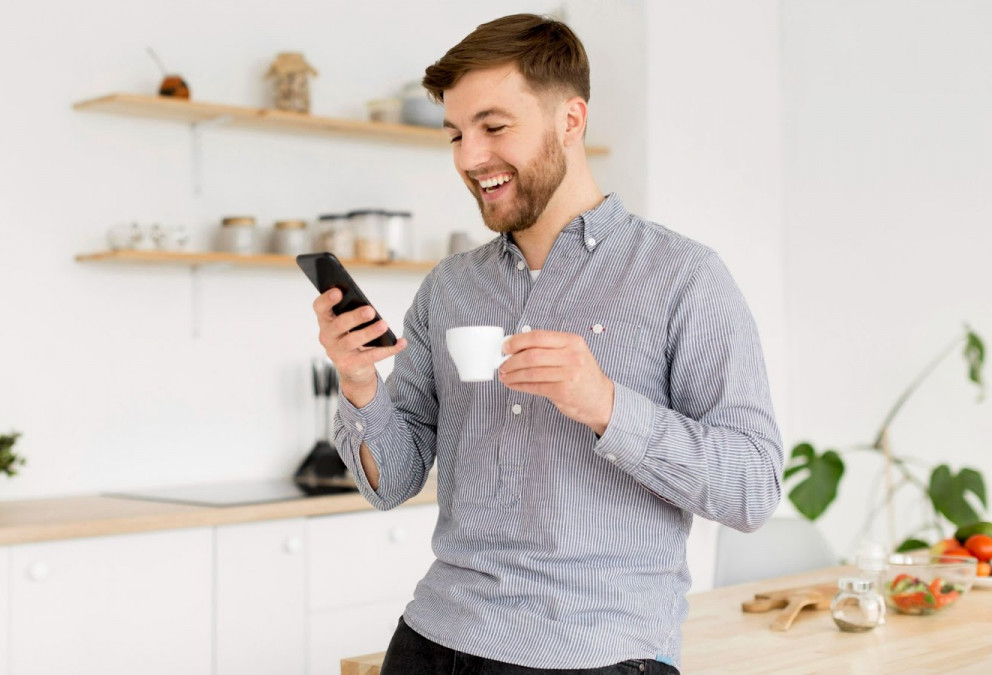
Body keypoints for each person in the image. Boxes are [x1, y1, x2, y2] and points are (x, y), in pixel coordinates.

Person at [310, 13, 783, 675]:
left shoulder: (684, 278)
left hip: (595, 654)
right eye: (455, 135)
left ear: (571, 119)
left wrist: (606, 405)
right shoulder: (450, 288)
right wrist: (359, 382)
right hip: (432, 639)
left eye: (494, 127)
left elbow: (752, 488)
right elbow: (392, 482)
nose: (470, 158)